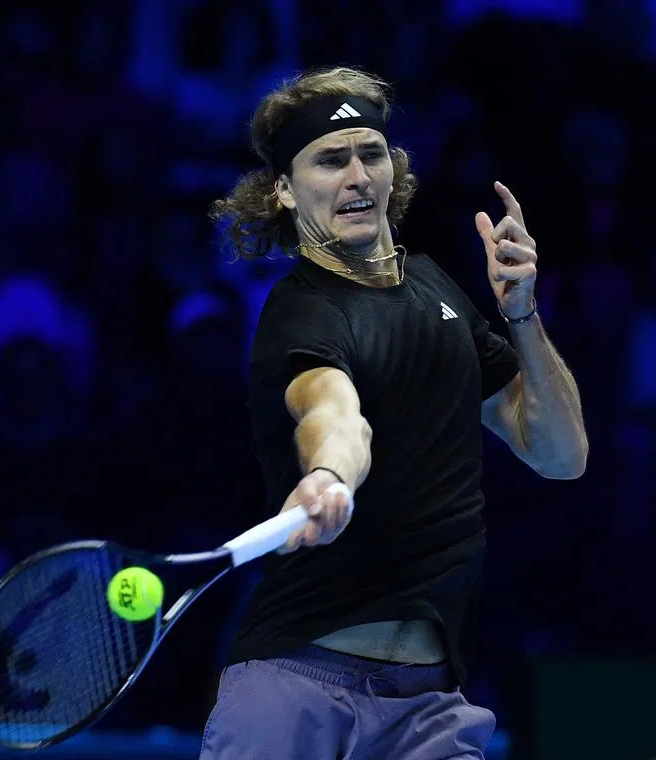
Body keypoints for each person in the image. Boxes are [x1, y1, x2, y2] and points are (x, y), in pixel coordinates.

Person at [202, 66, 588, 759]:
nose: (357, 176)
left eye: (370, 153)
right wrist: (329, 475)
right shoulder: (302, 311)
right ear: (285, 190)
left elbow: (559, 455)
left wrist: (521, 313)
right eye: (329, 160)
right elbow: (333, 410)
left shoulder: (436, 290)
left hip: (427, 709)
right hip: (296, 687)